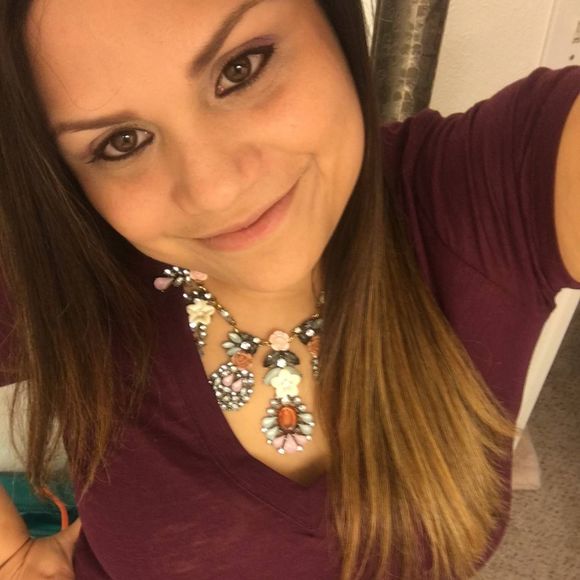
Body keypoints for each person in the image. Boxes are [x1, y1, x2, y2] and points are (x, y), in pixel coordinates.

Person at [0, 0, 579, 578]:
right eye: (122, 141)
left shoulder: (487, 191)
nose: (215, 189)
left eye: (241, 69)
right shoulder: (73, 274)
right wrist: (14, 558)